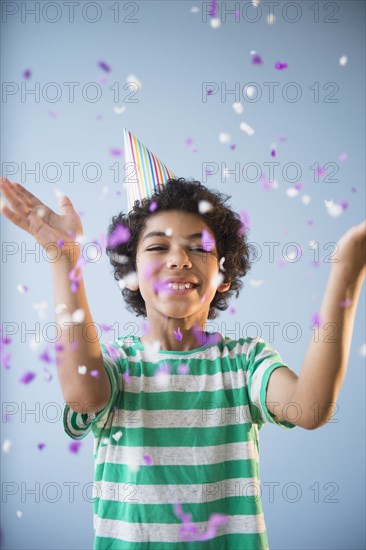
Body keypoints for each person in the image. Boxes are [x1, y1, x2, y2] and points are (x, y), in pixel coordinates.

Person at [1, 176, 365, 549]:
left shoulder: (245, 362)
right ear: (131, 272)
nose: (179, 259)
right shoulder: (117, 363)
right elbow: (82, 395)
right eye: (158, 246)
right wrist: (66, 261)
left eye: (200, 249)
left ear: (223, 276)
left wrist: (347, 271)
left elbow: (310, 407)